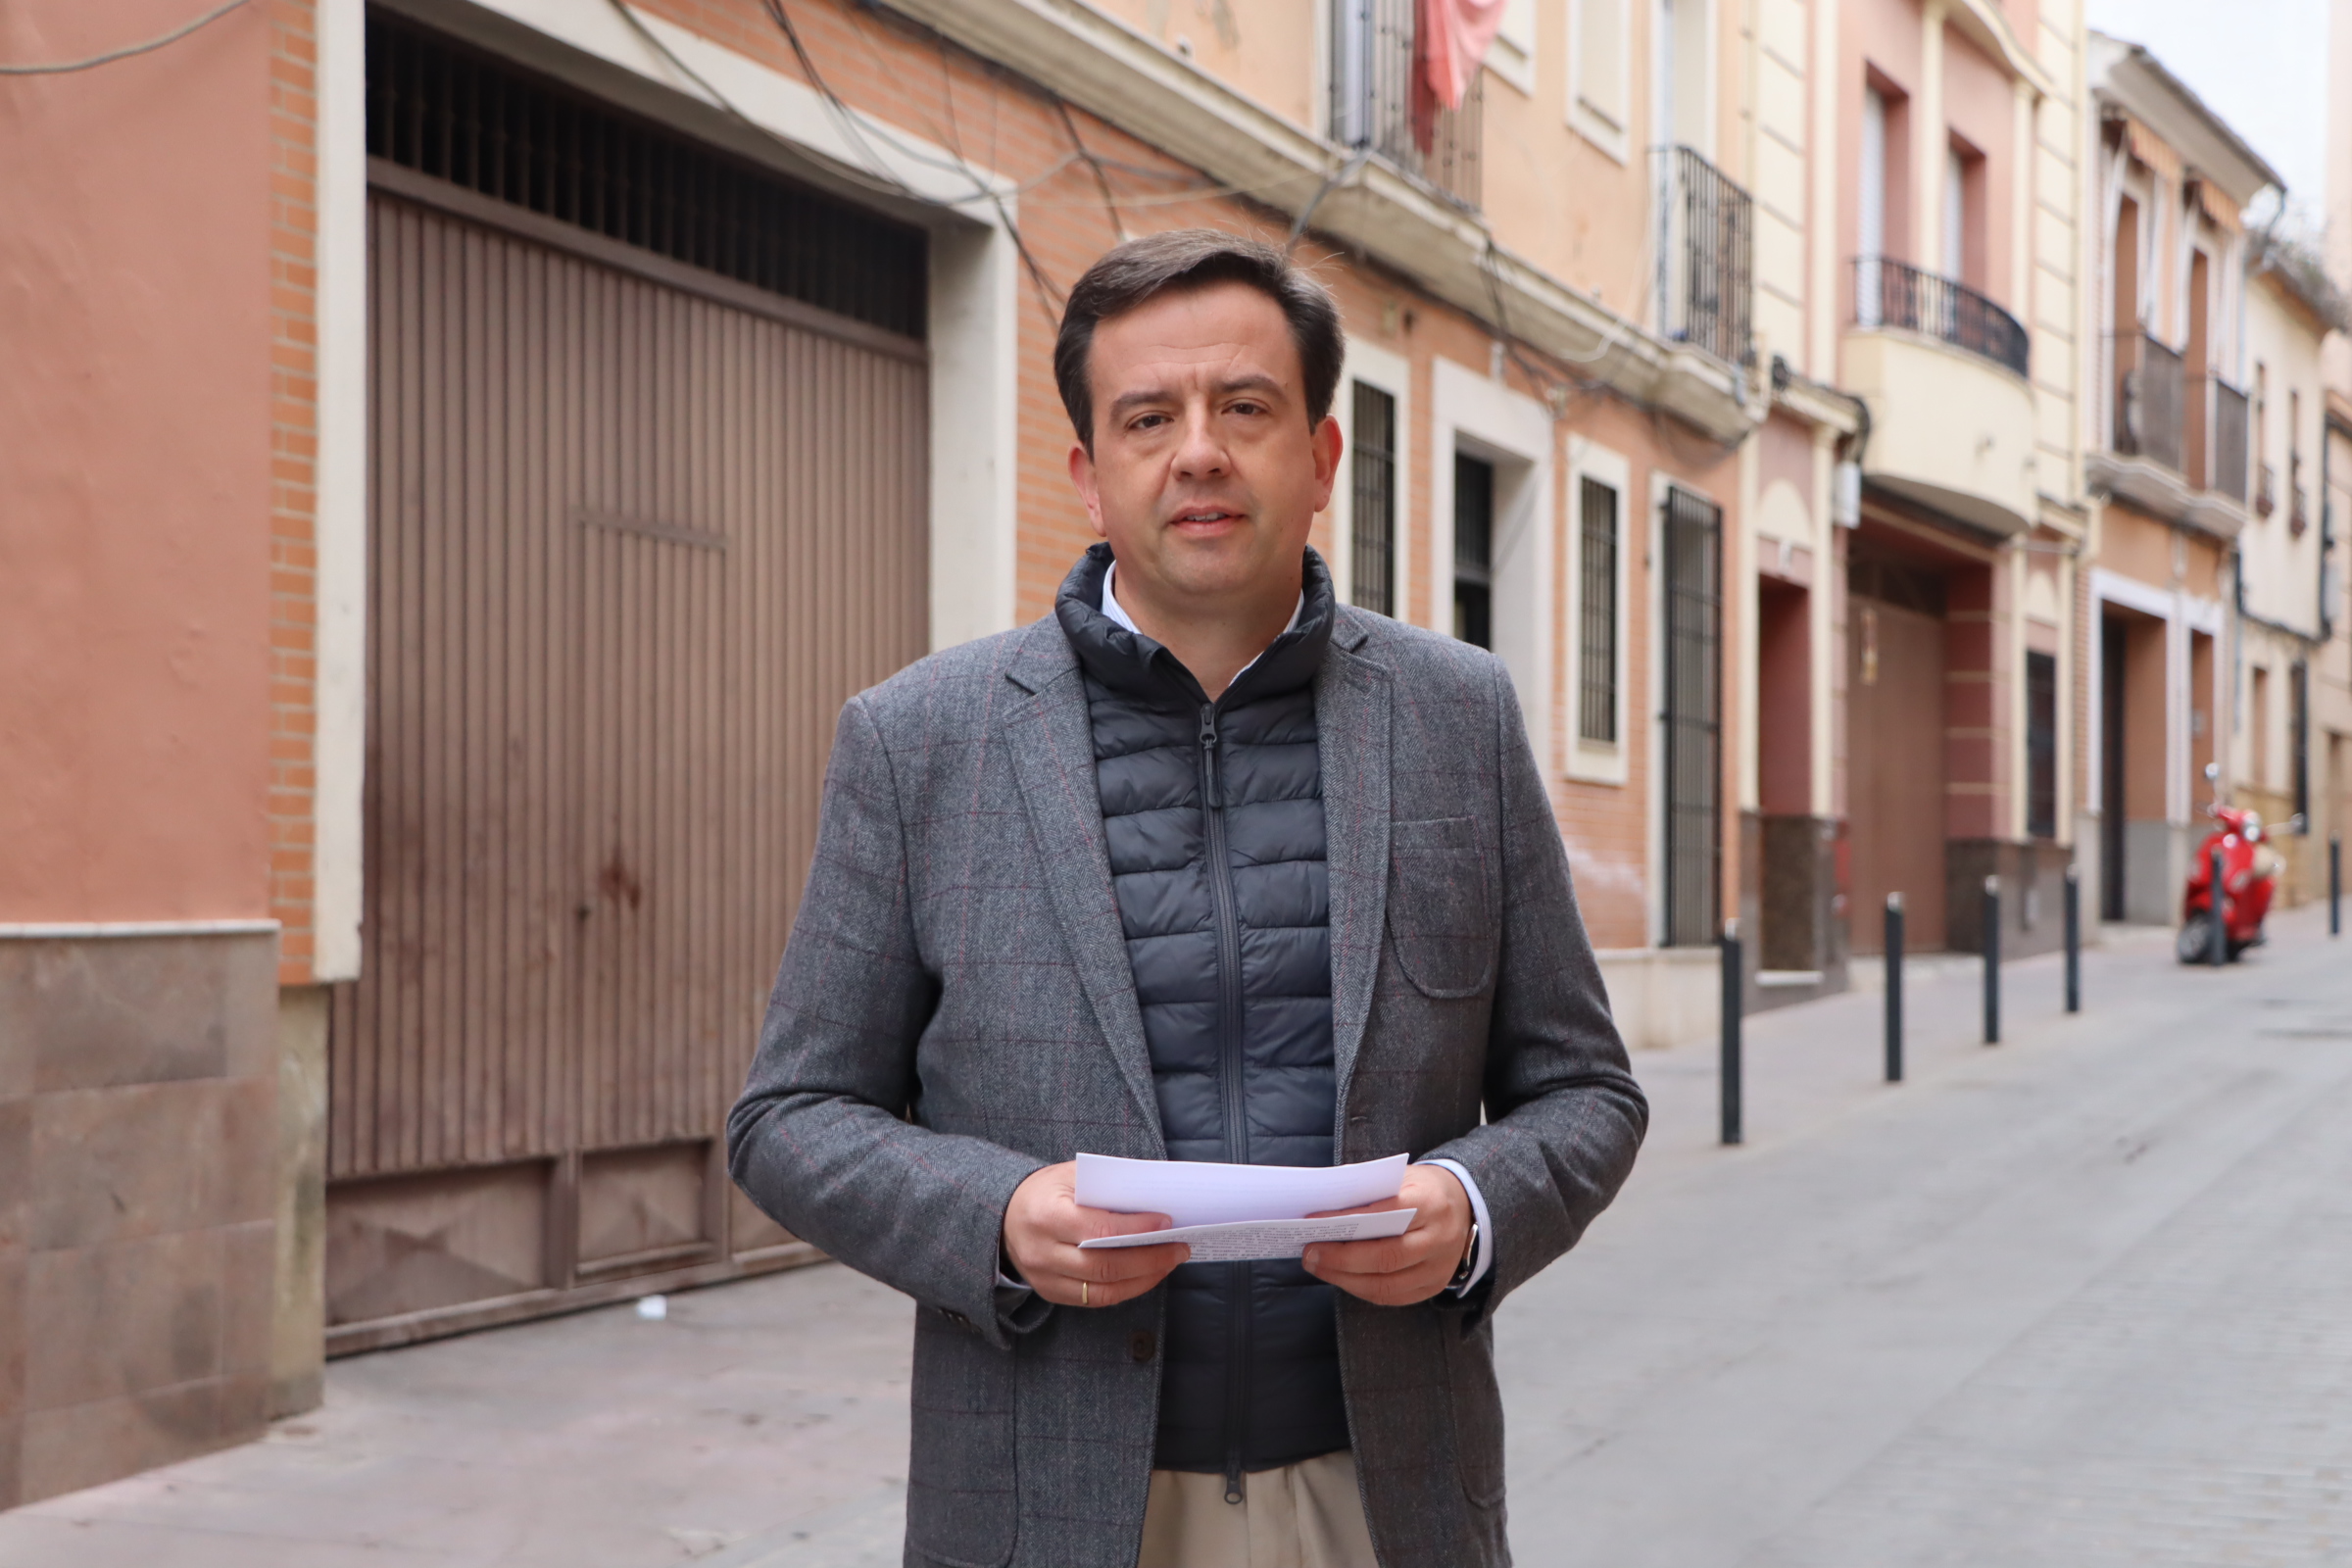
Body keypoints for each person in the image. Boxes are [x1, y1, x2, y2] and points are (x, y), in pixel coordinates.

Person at [728, 228, 1646, 1568]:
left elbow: (1589, 1093)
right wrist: (994, 1217)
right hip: (1049, 1505)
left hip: (1379, 1499)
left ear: (1323, 459)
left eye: (1246, 408)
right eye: (1149, 417)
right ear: (1090, 476)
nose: (1199, 451)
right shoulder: (921, 740)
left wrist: (1472, 1206)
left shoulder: (1457, 720)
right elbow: (789, 1119)